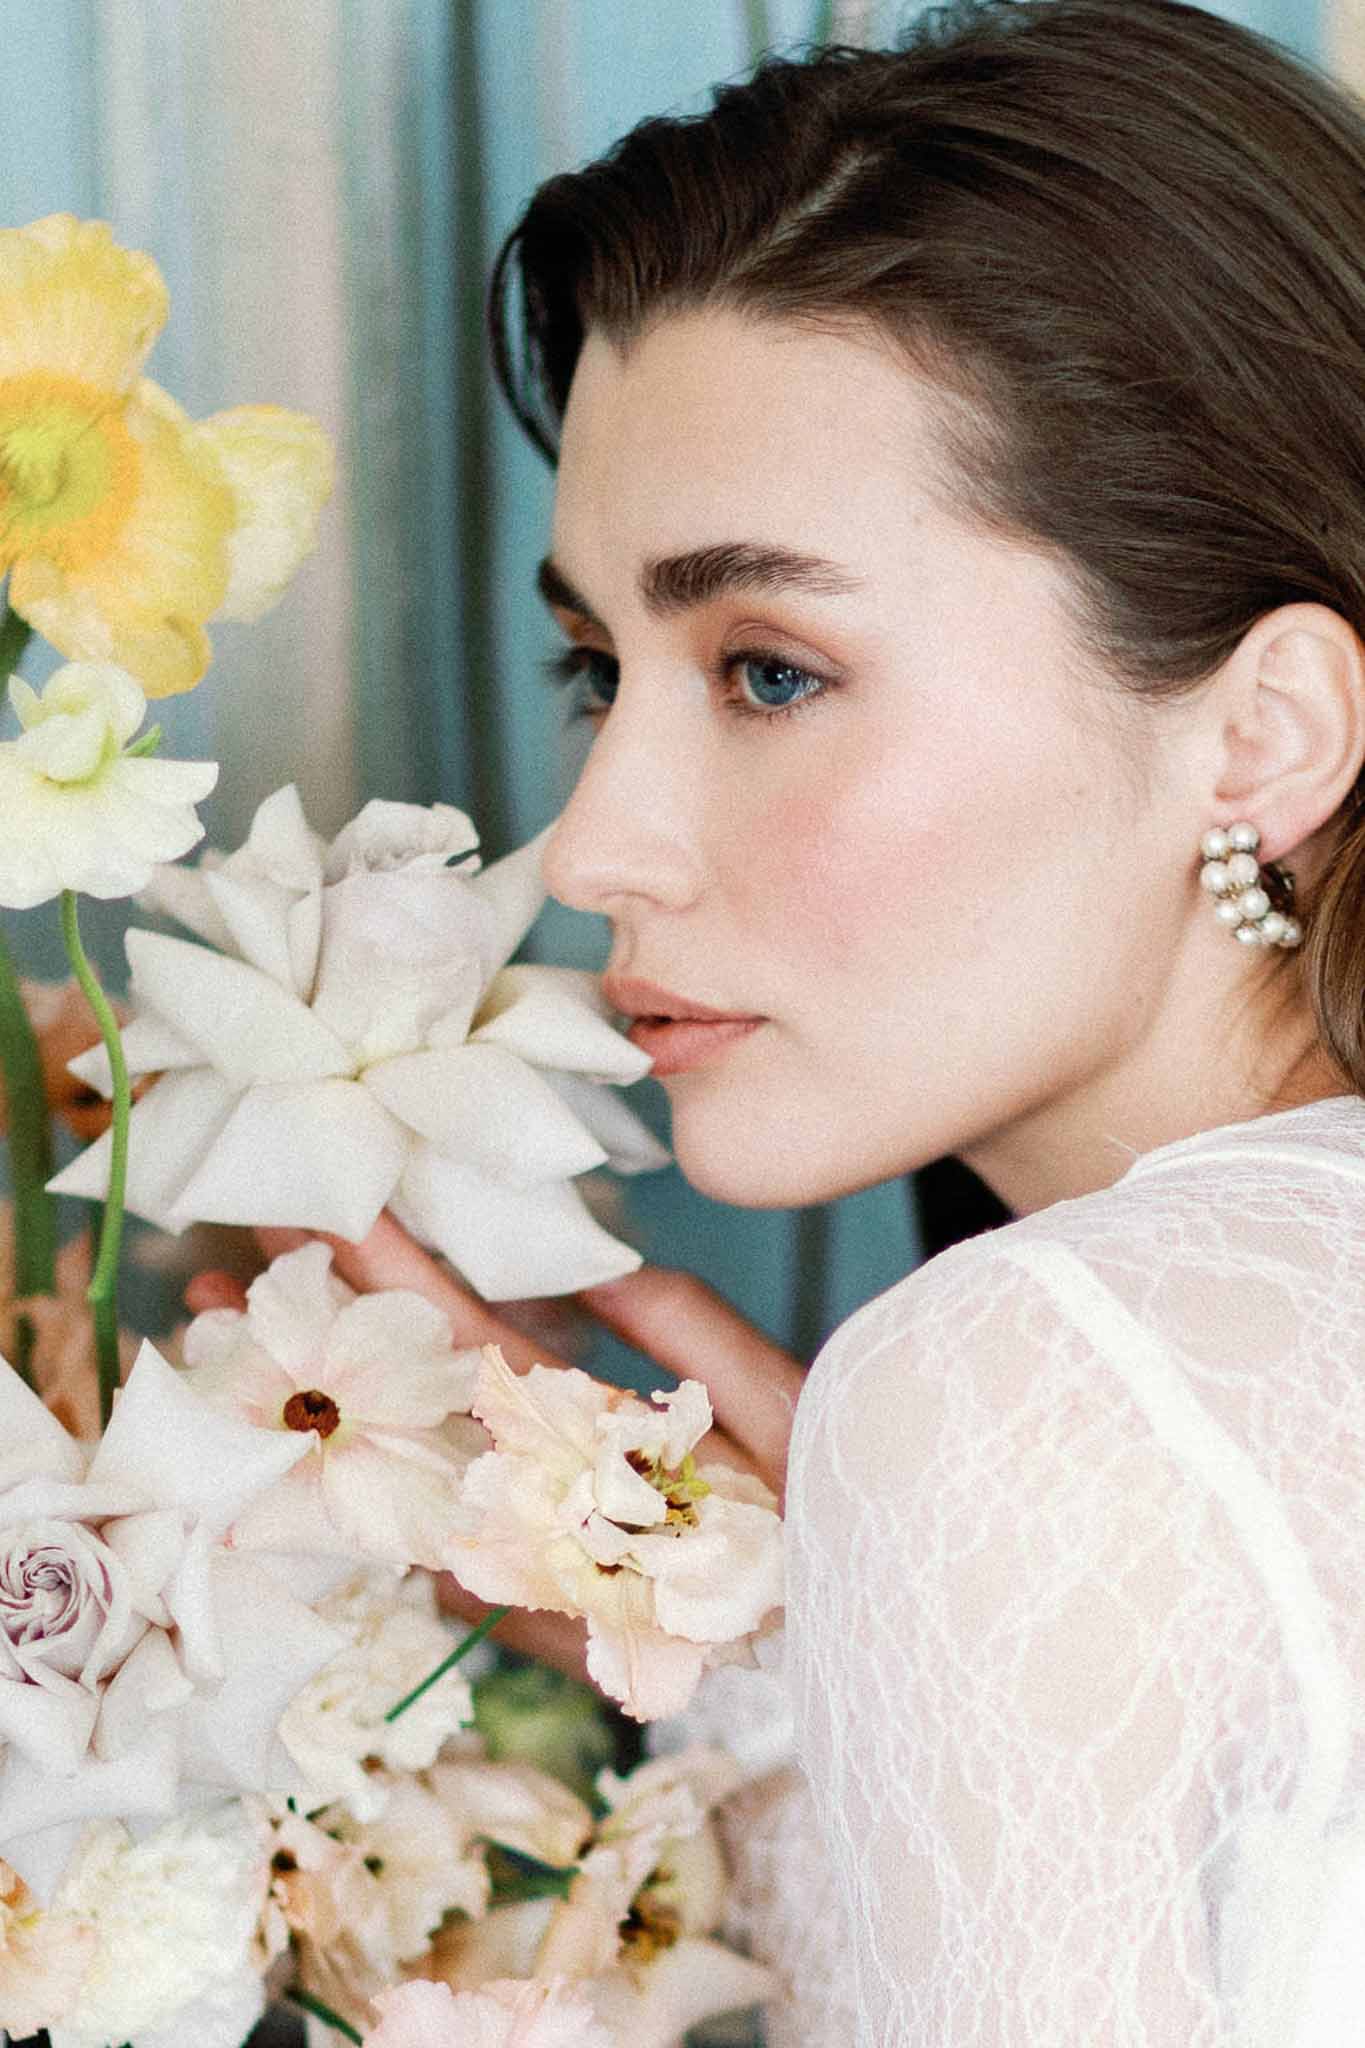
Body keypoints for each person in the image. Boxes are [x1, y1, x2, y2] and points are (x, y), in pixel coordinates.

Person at [193, 0, 1365, 2038]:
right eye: (596, 671)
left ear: (1257, 731)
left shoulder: (1028, 1380)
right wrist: (787, 1649)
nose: (590, 850)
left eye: (767, 672)